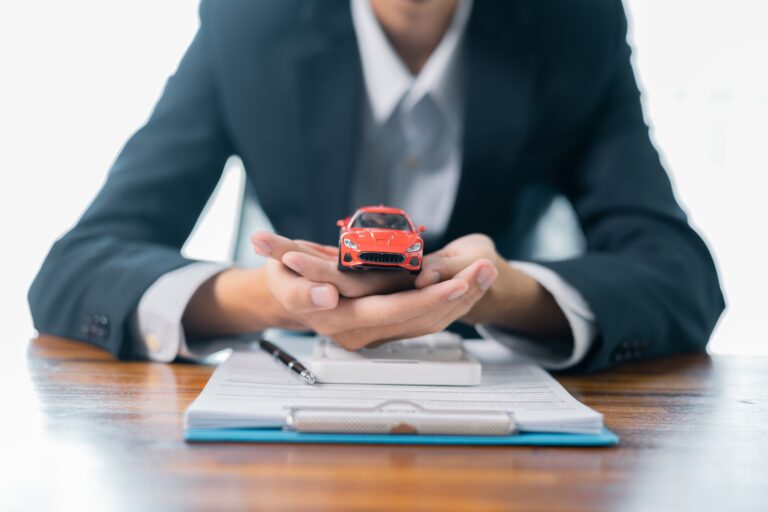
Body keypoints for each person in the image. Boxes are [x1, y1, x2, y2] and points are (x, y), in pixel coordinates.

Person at [29, 0, 725, 372]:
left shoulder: (575, 23)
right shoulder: (248, 20)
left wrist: (506, 292)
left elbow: (679, 275)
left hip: (499, 408)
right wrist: (263, 298)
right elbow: (77, 268)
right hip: (291, 403)